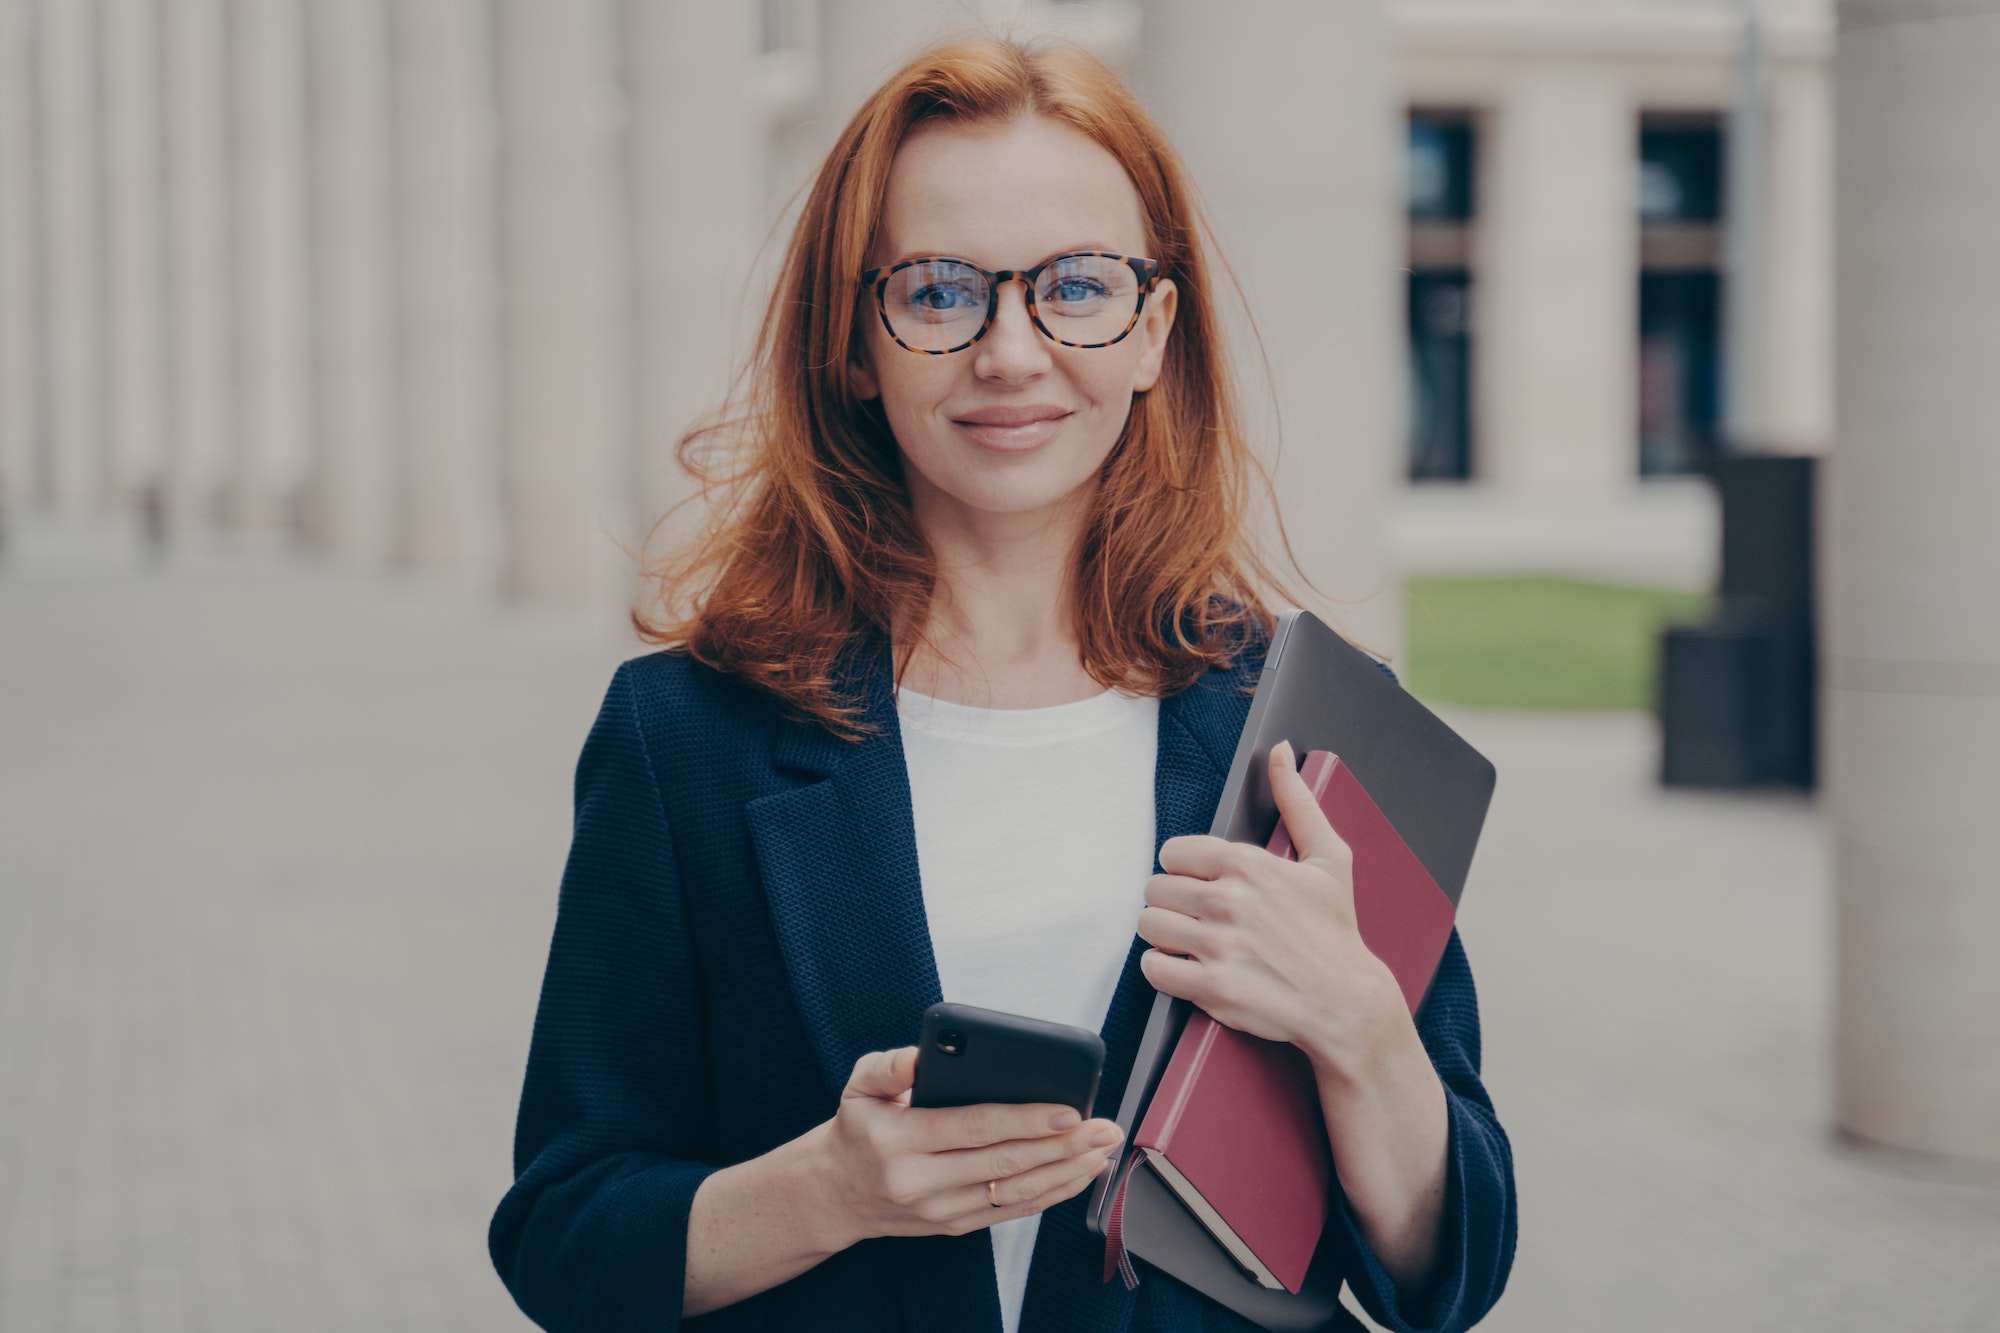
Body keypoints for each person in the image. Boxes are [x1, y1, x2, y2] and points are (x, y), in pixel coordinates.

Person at [488, 36, 1515, 1333]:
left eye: (1076, 286)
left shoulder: (1313, 722)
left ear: (1152, 328)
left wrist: (1364, 1029)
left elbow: (1453, 1274)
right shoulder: (687, 735)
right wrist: (829, 1189)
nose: (1012, 351)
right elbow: (566, 1235)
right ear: (856, 341)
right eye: (938, 290)